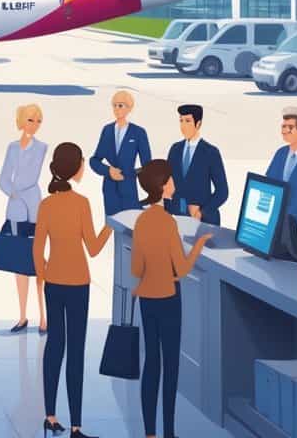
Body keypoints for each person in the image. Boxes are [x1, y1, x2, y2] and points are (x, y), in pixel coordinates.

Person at [34, 142, 111, 438]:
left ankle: (50, 416)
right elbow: (92, 248)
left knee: (55, 346)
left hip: (54, 282)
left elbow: (37, 248)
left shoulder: (46, 205)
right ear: (76, 167)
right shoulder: (81, 203)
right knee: (76, 351)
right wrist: (110, 227)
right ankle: (76, 425)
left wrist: (44, 277)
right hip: (78, 283)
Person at [133, 160, 212, 438]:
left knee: (151, 362)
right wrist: (199, 246)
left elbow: (136, 268)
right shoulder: (167, 223)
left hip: (147, 297)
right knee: (171, 365)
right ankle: (169, 431)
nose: (175, 184)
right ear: (162, 185)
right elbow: (182, 268)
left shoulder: (141, 220)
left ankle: (149, 433)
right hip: (168, 296)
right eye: (171, 180)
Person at [0, 103, 48, 334]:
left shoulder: (41, 148)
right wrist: (13, 193)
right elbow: (3, 178)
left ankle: (43, 317)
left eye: (38, 121)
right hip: (16, 209)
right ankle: (22, 316)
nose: (34, 125)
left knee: (38, 263)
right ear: (21, 120)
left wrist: (16, 191)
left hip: (34, 209)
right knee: (19, 264)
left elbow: (30, 177)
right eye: (30, 120)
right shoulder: (12, 147)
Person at [163, 104, 229, 225]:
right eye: (181, 121)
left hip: (203, 220)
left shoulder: (211, 152)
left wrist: (201, 213)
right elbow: (168, 184)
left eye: (188, 121)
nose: (183, 126)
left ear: (198, 124)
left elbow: (222, 191)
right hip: (178, 217)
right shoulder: (175, 149)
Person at [89, 90, 152, 216]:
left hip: (128, 188)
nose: (116, 109)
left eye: (121, 105)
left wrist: (131, 173)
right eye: (114, 105)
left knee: (130, 228)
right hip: (110, 189)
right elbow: (94, 160)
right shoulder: (107, 130)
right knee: (113, 226)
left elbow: (148, 166)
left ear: (129, 108)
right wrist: (108, 171)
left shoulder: (138, 132)